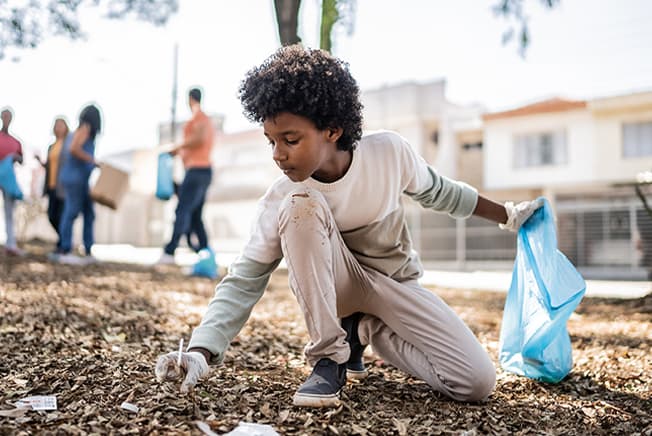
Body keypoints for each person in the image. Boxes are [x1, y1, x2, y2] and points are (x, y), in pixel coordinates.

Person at [155, 45, 544, 407]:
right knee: (299, 206)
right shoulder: (283, 194)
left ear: (333, 129)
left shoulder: (389, 153)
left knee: (475, 383)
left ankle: (363, 331)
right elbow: (244, 280)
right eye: (270, 140)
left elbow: (444, 193)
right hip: (338, 288)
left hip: (394, 283)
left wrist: (509, 215)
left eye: (290, 139)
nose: (278, 154)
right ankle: (329, 357)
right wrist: (200, 352)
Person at [158, 87, 215, 264]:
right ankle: (205, 252)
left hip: (197, 170)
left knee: (182, 209)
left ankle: (169, 251)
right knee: (196, 214)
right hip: (201, 171)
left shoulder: (199, 117)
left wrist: (178, 147)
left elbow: (199, 138)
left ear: (190, 99)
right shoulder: (202, 118)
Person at [55, 104, 101, 265]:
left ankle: (88, 250)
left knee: (89, 213)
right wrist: (92, 160)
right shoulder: (85, 129)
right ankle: (65, 249)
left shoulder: (79, 130)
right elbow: (74, 149)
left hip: (80, 179)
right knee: (71, 212)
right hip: (75, 177)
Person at [35, 117, 69, 253]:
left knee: (61, 215)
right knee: (51, 215)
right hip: (51, 185)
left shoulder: (68, 144)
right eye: (56, 125)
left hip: (63, 186)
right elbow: (50, 166)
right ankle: (63, 240)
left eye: (61, 125)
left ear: (66, 127)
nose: (58, 127)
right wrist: (40, 162)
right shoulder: (52, 146)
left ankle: (63, 244)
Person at [0, 107, 25, 256]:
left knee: (9, 211)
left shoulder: (16, 142)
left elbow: (22, 159)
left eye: (9, 116)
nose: (6, 118)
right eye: (4, 116)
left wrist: (15, 157)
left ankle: (11, 244)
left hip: (8, 179)